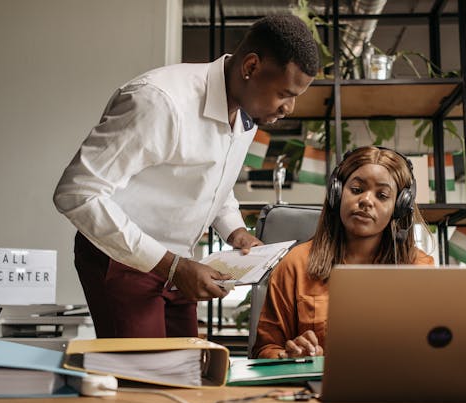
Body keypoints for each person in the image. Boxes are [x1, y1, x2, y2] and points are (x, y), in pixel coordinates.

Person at [53, 15, 319, 338]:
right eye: (285, 94)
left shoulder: (248, 111)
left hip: (178, 264)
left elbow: (212, 177)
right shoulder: (159, 102)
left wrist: (234, 230)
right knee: (145, 381)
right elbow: (77, 192)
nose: (289, 108)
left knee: (188, 373)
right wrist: (172, 266)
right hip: (120, 260)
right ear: (250, 68)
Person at [252, 146, 435, 359]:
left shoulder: (419, 267)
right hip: (314, 388)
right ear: (337, 193)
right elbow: (265, 349)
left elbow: (432, 349)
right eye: (356, 190)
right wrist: (290, 356)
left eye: (382, 195)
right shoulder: (296, 264)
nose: (366, 200)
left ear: (399, 207)